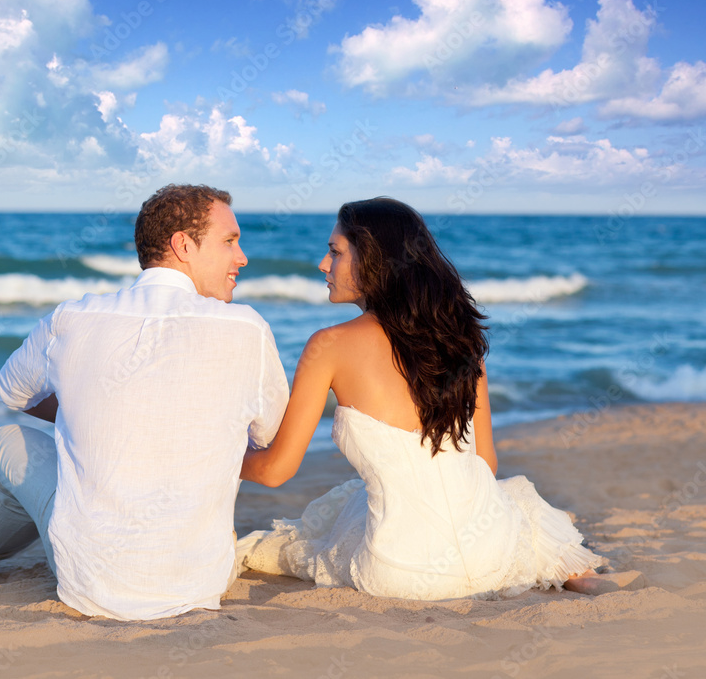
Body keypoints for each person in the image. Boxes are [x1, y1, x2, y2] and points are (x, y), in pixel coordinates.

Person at [237, 197, 619, 600]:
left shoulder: (328, 345)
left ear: (373, 258)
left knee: (331, 521)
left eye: (335, 251)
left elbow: (275, 471)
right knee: (517, 501)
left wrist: (214, 451)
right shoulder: (461, 339)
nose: (322, 264)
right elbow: (484, 464)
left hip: (397, 570)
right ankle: (578, 573)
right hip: (491, 552)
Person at [0, 184, 289, 620]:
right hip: (200, 581)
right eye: (229, 241)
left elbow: (12, 391)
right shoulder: (247, 329)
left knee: (9, 442)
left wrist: (85, 412)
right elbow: (266, 436)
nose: (241, 257)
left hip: (90, 585)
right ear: (183, 245)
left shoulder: (72, 318)